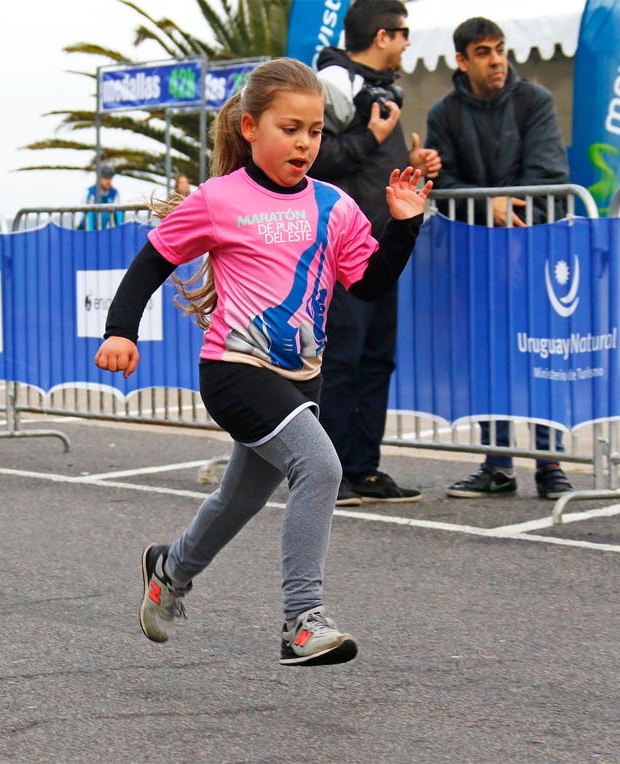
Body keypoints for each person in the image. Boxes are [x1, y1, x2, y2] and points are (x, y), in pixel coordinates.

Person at [95, 58, 430, 666]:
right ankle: (302, 619)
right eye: (290, 128)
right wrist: (121, 331)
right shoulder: (219, 200)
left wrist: (404, 228)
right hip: (233, 369)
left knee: (239, 498)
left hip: (301, 376)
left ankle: (170, 568)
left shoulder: (335, 206)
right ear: (250, 128)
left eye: (315, 131)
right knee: (321, 468)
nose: (305, 142)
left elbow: (370, 283)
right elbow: (152, 261)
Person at [425, 17, 573, 499]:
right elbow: (441, 187)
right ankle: (497, 464)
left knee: (540, 355)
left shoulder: (535, 100)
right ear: (462, 61)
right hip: (479, 257)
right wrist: (484, 203)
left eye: (500, 49)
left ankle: (552, 465)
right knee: (490, 358)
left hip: (535, 250)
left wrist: (507, 218)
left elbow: (549, 177)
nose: (497, 60)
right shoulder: (444, 113)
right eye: (484, 52)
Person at [310, 0, 439, 507]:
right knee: (342, 360)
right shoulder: (334, 80)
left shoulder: (383, 88)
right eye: (404, 33)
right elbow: (316, 158)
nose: (409, 43)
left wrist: (414, 163)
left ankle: (364, 469)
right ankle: (330, 473)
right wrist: (371, 136)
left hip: (384, 247)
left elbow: (370, 164)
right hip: (340, 246)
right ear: (383, 35)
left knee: (376, 360)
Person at [82, 164, 124, 229]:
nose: (109, 181)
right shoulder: (90, 192)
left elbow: (119, 216)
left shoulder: (114, 193)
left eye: (110, 178)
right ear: (100, 178)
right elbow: (88, 215)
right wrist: (90, 233)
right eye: (106, 178)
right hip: (87, 231)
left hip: (103, 230)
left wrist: (120, 230)